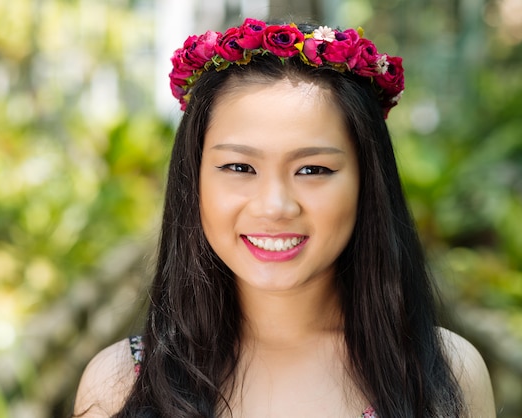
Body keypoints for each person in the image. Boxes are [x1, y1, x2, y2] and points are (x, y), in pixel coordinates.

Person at [73, 18, 496, 418]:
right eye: (239, 168)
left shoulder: (445, 373)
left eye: (313, 170)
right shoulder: (120, 384)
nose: (275, 206)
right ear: (193, 180)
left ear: (369, 182)